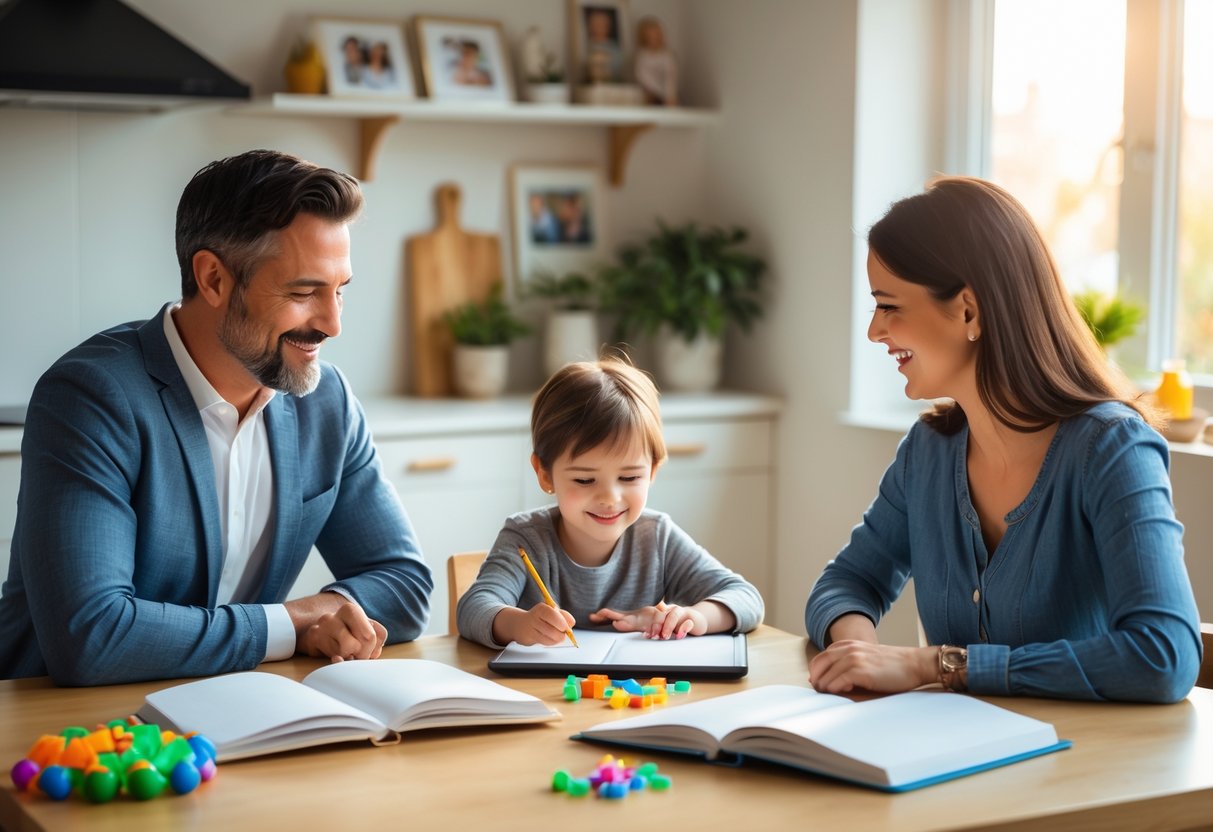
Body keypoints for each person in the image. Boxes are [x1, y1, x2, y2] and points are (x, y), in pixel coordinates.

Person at [0, 150, 434, 685]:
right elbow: (91, 636)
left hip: (239, 713)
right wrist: (288, 625)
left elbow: (403, 583)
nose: (332, 324)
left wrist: (333, 615)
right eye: (303, 293)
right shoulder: (91, 398)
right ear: (213, 279)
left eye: (339, 290)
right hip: (67, 735)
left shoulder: (326, 401)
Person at [805, 176, 1202, 704]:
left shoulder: (1112, 448)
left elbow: (1164, 655)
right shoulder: (928, 450)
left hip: (1090, 775)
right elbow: (846, 582)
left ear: (968, 310)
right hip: (958, 763)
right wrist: (859, 654)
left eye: (890, 305)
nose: (876, 331)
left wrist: (938, 665)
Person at [456, 358, 764, 648]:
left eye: (629, 478)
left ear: (653, 470)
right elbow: (472, 608)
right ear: (545, 474)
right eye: (585, 480)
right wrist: (518, 625)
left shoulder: (658, 537)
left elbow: (747, 598)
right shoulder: (525, 538)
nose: (609, 498)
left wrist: (695, 617)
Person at [633, 16, 678, 105]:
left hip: (665, 97)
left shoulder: (667, 56)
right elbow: (641, 76)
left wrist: (669, 96)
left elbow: (670, 78)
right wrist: (651, 92)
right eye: (649, 35)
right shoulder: (641, 56)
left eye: (655, 34)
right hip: (647, 96)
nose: (653, 38)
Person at [582, 6, 624, 83]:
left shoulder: (615, 48)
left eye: (602, 24)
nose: (599, 27)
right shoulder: (584, 46)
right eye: (596, 24)